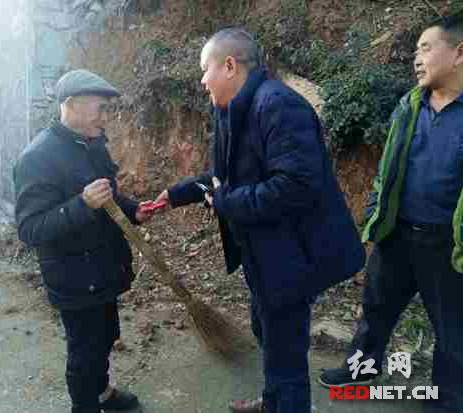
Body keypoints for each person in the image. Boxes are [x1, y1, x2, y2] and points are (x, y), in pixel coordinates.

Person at [154, 28, 366, 413]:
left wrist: (225, 202)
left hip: (293, 255)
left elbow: (295, 186)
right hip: (264, 252)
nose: (202, 81)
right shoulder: (233, 109)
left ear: (229, 66)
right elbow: (225, 178)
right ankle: (272, 401)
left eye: (204, 69)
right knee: (266, 330)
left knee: (286, 353)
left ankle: (287, 403)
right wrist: (177, 194)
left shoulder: (279, 106)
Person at [318, 14, 463, 413]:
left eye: (426, 48)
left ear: (459, 53)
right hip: (397, 232)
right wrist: (375, 215)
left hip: (447, 244)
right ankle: (361, 369)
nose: (417, 58)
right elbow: (387, 168)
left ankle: (447, 400)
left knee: (452, 329)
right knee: (375, 308)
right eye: (415, 49)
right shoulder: (410, 104)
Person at [14, 69, 153, 413]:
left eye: (107, 109)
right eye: (100, 109)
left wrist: (133, 210)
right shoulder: (37, 158)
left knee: (105, 336)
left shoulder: (92, 141)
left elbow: (108, 193)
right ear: (71, 104)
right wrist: (81, 204)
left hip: (104, 267)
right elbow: (30, 229)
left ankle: (102, 394)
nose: (105, 118)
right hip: (74, 278)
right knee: (84, 353)